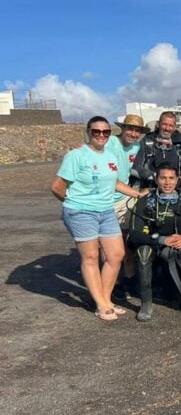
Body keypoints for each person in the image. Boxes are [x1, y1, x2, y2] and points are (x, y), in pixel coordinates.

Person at [51, 116, 148, 321]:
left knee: (116, 255)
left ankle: (105, 299)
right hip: (81, 212)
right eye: (96, 131)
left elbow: (115, 183)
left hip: (105, 211)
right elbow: (57, 187)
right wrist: (76, 203)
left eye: (105, 132)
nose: (101, 135)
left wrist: (137, 194)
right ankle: (101, 304)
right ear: (88, 132)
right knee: (91, 257)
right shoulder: (77, 155)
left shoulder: (110, 157)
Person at [129, 163, 181, 321]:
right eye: (163, 178)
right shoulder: (146, 201)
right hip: (153, 244)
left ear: (177, 180)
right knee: (143, 253)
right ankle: (146, 303)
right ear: (156, 179)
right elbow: (134, 234)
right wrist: (162, 239)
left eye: (171, 178)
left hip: (177, 248)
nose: (167, 183)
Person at [106, 114, 150, 298]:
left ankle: (128, 280)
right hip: (105, 199)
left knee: (125, 242)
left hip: (124, 197)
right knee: (108, 247)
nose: (133, 133)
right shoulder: (109, 143)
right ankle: (110, 284)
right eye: (130, 129)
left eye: (137, 130)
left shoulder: (138, 147)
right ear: (122, 129)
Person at [132, 111, 181, 189]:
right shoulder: (146, 141)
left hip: (174, 187)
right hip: (150, 187)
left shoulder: (180, 143)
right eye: (164, 124)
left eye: (171, 125)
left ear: (174, 127)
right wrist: (156, 178)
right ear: (158, 124)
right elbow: (135, 167)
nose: (167, 128)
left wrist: (180, 180)